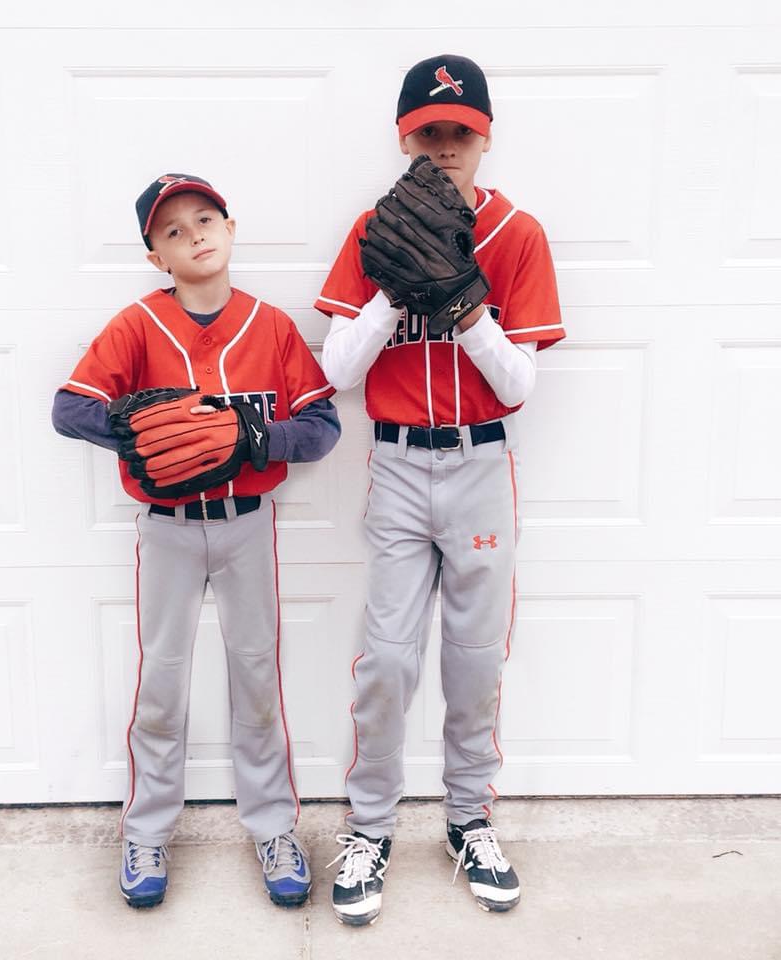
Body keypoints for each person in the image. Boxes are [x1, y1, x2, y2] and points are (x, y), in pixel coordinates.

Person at [316, 55, 565, 925]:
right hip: (396, 462)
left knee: (475, 658)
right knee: (386, 657)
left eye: (462, 131)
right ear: (405, 136)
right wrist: (393, 286)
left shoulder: (518, 233)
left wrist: (463, 302)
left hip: (478, 462)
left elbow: (518, 385)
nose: (446, 145)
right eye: (430, 131)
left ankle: (468, 819)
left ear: (485, 137)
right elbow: (339, 369)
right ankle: (370, 828)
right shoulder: (371, 230)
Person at [52, 173, 340, 909]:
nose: (195, 235)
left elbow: (321, 427)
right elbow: (68, 407)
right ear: (156, 257)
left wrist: (253, 438)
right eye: (173, 231)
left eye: (205, 218)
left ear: (231, 226)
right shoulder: (136, 325)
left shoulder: (270, 326)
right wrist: (132, 428)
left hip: (245, 525)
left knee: (255, 681)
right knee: (161, 686)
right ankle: (146, 833)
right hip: (169, 531)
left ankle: (273, 826)